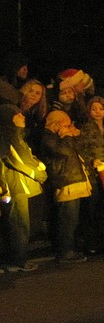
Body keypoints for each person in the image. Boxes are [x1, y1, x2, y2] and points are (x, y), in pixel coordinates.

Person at [38, 109, 90, 264]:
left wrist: (76, 134)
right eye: (66, 125)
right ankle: (65, 251)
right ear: (56, 125)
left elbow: (79, 148)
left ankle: (70, 248)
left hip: (75, 179)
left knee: (73, 219)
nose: (68, 127)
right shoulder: (48, 138)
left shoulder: (60, 136)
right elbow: (65, 151)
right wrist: (67, 135)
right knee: (67, 219)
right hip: (66, 181)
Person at [0, 103, 47, 272]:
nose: (22, 117)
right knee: (19, 224)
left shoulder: (12, 136)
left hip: (13, 186)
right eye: (17, 115)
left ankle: (13, 259)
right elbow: (21, 159)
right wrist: (39, 172)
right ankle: (17, 260)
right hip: (15, 187)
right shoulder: (10, 137)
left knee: (15, 224)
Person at [78, 96, 104, 255]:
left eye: (101, 109)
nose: (98, 112)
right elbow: (82, 149)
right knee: (91, 209)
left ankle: (102, 241)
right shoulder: (86, 128)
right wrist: (91, 161)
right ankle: (90, 243)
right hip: (93, 174)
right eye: (94, 109)